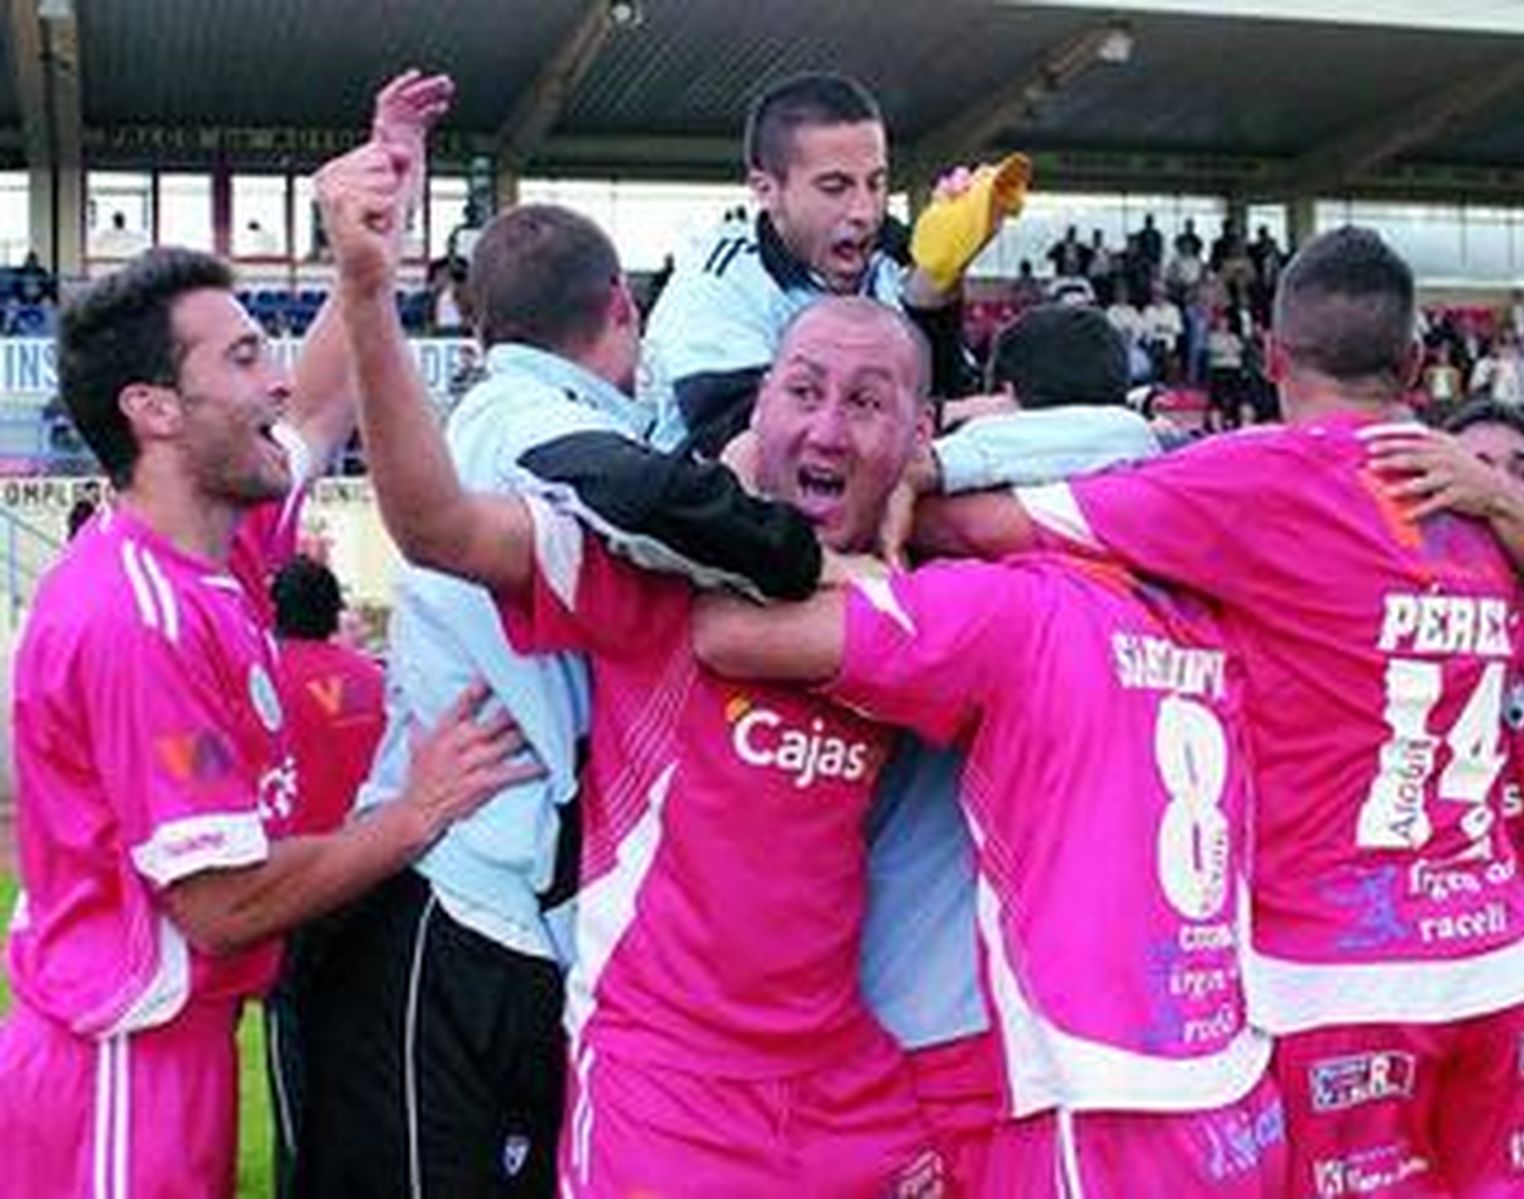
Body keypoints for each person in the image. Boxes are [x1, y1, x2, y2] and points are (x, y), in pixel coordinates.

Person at [327, 133, 950, 1192]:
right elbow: (434, 523)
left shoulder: (937, 600)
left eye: (867, 402)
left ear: (916, 433)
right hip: (667, 1088)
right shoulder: (660, 581)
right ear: (755, 410)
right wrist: (366, 294)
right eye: (801, 389)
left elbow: (1111, 469)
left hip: (855, 1093)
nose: (828, 427)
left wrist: (952, 474)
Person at [908, 226, 1524, 1197]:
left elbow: (974, 525)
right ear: (1418, 364)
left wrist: (925, 465)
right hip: (1503, 967)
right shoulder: (1494, 512)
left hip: (1336, 982)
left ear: (1270, 357)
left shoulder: (1260, 478)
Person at [0, 227, 533, 1195]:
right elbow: (220, 904)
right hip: (119, 1064)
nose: (278, 382)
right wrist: (416, 812)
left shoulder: (215, 555)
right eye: (244, 358)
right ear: (154, 409)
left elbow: (324, 405)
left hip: (171, 1048)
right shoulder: (136, 619)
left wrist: (365, 248)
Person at [689, 336, 1283, 1199]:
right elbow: (1140, 449)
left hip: (1003, 1071)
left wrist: (778, 479)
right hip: (1213, 1066)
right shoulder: (1203, 611)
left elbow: (721, 630)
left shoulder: (1002, 607)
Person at [1365, 403, 1524, 1193]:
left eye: (1519, 471)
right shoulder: (1381, 607)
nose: (1490, 481)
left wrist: (1491, 501)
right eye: (1466, 465)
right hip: (1456, 992)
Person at [641, 71, 1012, 454]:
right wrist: (940, 416)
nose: (865, 211)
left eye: (876, 182)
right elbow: (758, 442)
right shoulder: (716, 287)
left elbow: (954, 396)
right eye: (835, 187)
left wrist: (936, 287)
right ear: (766, 191)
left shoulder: (896, 251)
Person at [263, 552, 387, 1194]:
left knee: (291, 1054)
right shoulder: (371, 678)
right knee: (361, 1050)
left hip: (297, 891)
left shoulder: (261, 680)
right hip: (374, 883)